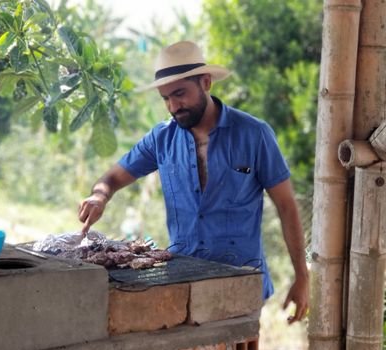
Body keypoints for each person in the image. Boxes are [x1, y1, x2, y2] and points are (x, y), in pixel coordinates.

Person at [78, 40, 309, 324]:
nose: (174, 106)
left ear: (206, 82)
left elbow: (286, 206)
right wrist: (100, 196)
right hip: (179, 286)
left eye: (180, 94)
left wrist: (302, 277)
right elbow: (112, 178)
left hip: (239, 285)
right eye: (165, 98)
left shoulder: (254, 134)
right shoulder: (161, 139)